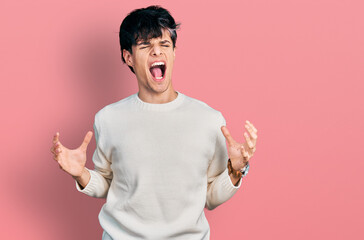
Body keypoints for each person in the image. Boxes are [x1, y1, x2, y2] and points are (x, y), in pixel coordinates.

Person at [50, 5, 258, 240]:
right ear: (128, 57)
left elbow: (209, 196)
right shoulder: (108, 119)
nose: (157, 52)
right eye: (146, 46)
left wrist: (236, 170)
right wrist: (80, 174)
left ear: (174, 52)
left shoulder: (209, 120)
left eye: (164, 45)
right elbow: (109, 185)